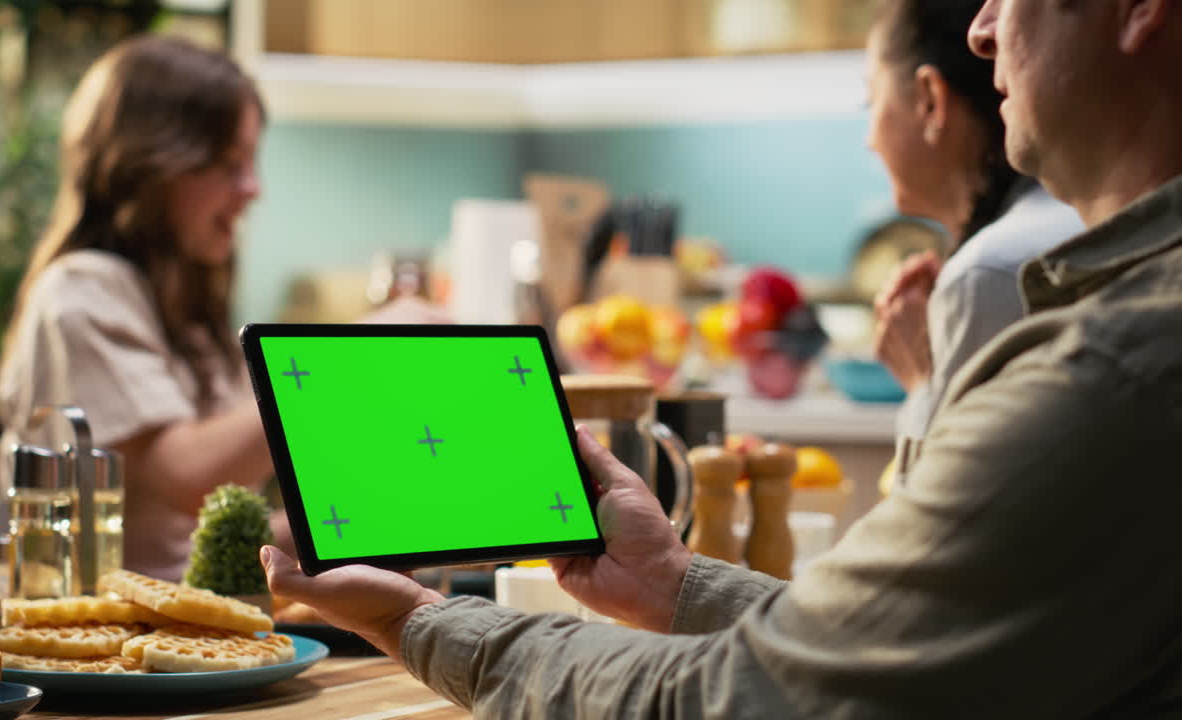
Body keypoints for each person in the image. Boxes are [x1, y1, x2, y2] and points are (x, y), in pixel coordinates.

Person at [263, 0, 1182, 716]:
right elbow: (906, 650)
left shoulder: (1112, 371)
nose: (981, 31)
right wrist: (674, 584)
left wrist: (416, 620)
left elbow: (747, 701)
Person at [0, 35, 445, 583]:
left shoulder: (184, 313)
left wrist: (374, 521)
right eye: (229, 164)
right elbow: (188, 478)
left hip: (192, 628)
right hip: (96, 646)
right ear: (151, 167)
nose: (253, 189)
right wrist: (349, 361)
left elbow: (203, 543)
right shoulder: (79, 295)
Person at [865, 0, 1083, 482]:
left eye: (871, 101)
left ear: (929, 101)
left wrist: (923, 382)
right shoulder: (1056, 227)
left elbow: (934, 542)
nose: (869, 139)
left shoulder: (992, 271)